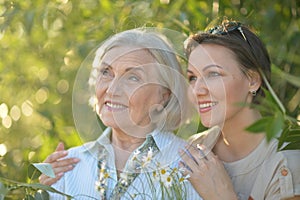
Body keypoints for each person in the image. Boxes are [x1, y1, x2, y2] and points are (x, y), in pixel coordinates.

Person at [40, 29, 202, 199]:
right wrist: (39, 193)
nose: (111, 89)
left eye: (133, 78)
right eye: (106, 72)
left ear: (164, 95)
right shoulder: (67, 166)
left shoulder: (191, 166)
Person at [180, 19, 300, 200]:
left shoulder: (288, 162)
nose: (197, 90)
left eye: (213, 74)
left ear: (252, 80)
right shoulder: (194, 150)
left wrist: (222, 196)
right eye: (192, 78)